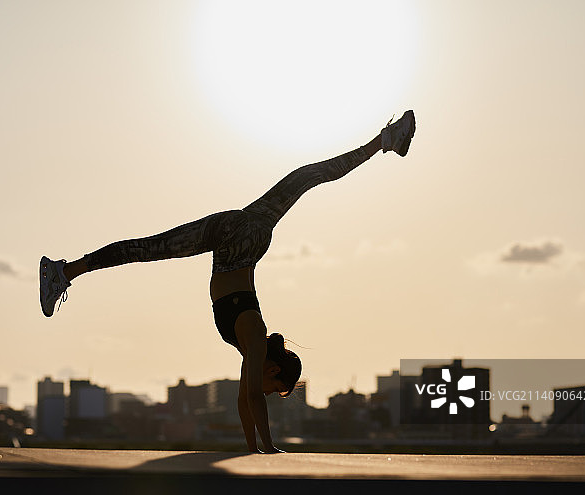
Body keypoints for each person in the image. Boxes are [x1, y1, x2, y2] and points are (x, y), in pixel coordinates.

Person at [39, 111, 415, 452]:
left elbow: (242, 399)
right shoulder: (255, 338)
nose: (269, 393)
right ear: (273, 371)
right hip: (236, 242)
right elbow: (253, 398)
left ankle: (383, 140)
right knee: (149, 248)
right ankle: (63, 272)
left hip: (245, 235)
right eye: (276, 389)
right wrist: (270, 447)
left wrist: (253, 449)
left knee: (307, 177)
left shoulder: (252, 347)